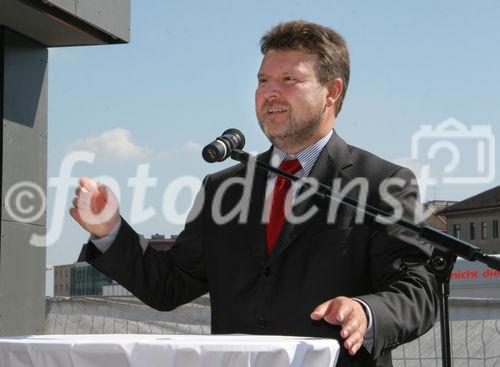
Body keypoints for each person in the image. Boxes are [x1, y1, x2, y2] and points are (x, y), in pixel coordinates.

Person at [71, 20, 438, 366]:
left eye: (289, 79)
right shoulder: (222, 189)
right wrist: (112, 231)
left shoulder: (381, 183)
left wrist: (366, 311)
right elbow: (170, 286)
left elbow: (417, 291)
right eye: (263, 81)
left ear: (332, 91)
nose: (270, 92)